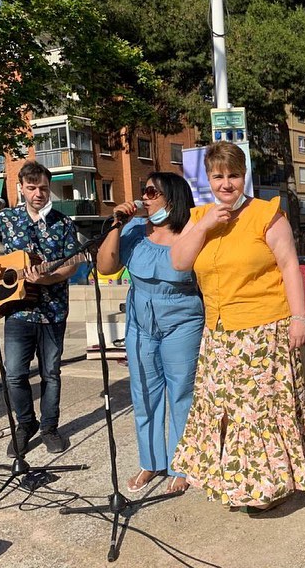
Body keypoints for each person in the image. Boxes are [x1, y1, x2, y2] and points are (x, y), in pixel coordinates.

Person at [169, 141, 305, 511]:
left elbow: (290, 266)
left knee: (259, 412)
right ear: (208, 179)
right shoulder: (200, 216)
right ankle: (238, 483)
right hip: (219, 333)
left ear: (244, 175)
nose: (226, 184)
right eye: (218, 176)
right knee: (226, 412)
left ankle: (268, 488)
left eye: (233, 175)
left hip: (263, 330)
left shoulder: (267, 214)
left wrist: (299, 318)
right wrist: (205, 226)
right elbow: (179, 262)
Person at [0, 161, 80, 456]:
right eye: (32, 188)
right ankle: (26, 424)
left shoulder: (64, 224)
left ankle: (50, 428)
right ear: (22, 189)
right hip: (17, 311)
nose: (38, 193)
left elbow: (72, 264)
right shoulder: (6, 219)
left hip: (53, 311)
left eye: (43, 188)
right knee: (14, 374)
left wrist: (47, 278)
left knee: (51, 374)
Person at [96, 172, 204, 494]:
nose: (144, 197)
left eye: (152, 192)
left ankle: (182, 464)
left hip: (183, 321)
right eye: (144, 191)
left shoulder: (193, 233)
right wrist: (116, 224)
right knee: (144, 393)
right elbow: (105, 267)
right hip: (140, 323)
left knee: (181, 393)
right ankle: (151, 461)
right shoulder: (133, 231)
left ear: (173, 197)